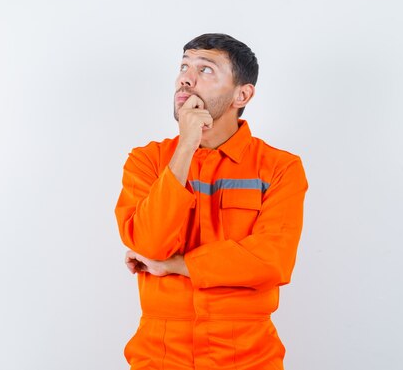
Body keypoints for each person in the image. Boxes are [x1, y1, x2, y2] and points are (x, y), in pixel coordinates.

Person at [115, 33, 308, 370]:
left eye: (206, 70)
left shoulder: (280, 168)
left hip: (248, 358)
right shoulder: (147, 161)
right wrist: (186, 146)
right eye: (184, 67)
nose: (186, 78)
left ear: (242, 94)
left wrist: (175, 266)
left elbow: (271, 261)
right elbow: (148, 242)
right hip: (159, 357)